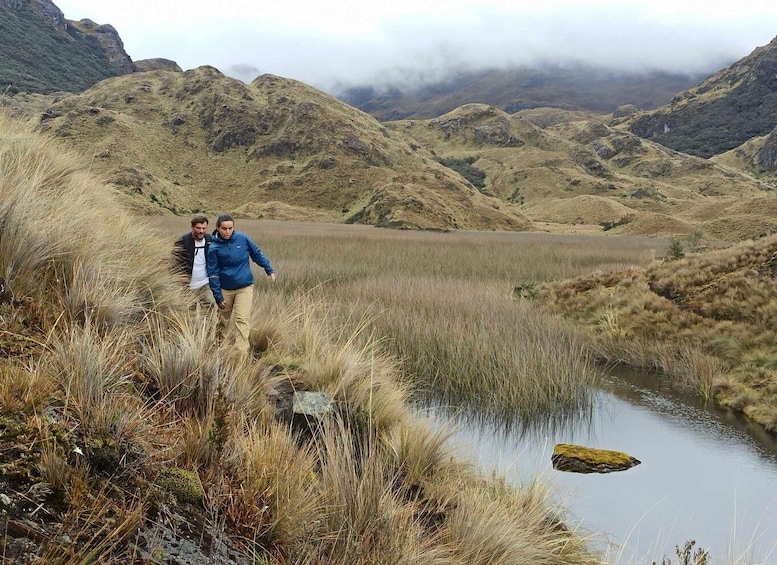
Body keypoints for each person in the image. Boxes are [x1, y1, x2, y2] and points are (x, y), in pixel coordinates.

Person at [207, 214, 276, 356]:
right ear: (218, 228)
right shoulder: (213, 248)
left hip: (244, 286)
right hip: (225, 289)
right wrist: (218, 296)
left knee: (242, 319)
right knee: (222, 321)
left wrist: (269, 269)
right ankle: (219, 348)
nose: (227, 232)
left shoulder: (242, 239)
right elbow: (213, 273)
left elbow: (256, 253)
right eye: (224, 229)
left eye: (230, 228)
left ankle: (241, 354)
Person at [173, 215, 215, 307]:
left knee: (209, 307)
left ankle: (207, 322)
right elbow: (174, 262)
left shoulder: (211, 240)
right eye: (198, 228)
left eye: (204, 228)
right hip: (187, 284)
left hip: (205, 283)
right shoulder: (183, 241)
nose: (201, 231)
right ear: (192, 227)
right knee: (189, 309)